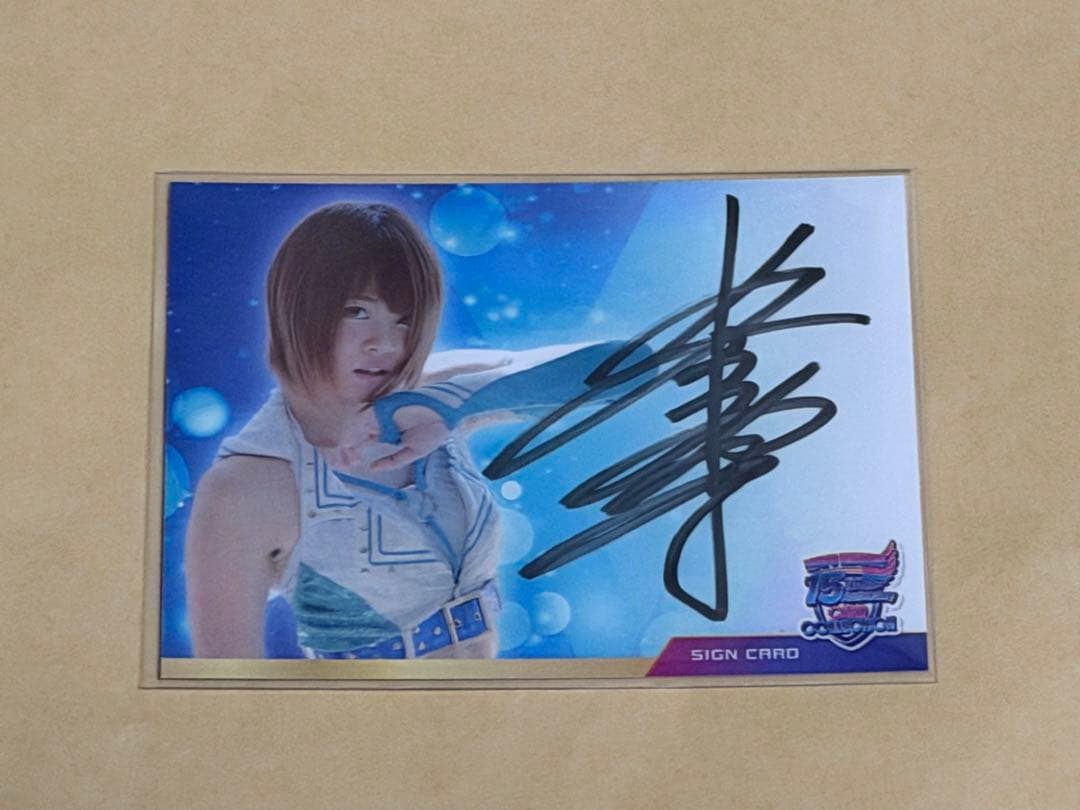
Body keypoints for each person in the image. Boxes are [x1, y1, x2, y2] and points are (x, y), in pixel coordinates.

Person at [186, 202, 506, 660]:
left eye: (405, 319)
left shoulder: (429, 399)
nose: (386, 344)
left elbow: (602, 372)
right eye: (357, 311)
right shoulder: (246, 486)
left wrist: (449, 405)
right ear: (297, 309)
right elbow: (226, 688)